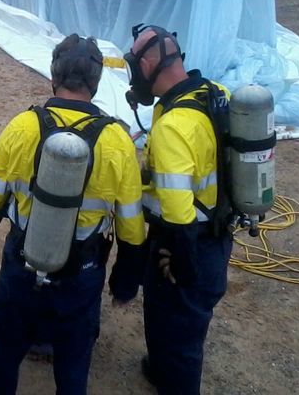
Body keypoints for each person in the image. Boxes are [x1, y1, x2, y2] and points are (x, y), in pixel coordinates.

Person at [0, 34, 146, 395]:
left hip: (22, 264)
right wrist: (125, 281)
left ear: (54, 77)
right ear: (96, 85)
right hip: (81, 275)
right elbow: (131, 228)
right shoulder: (117, 140)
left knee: (4, 354)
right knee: (73, 366)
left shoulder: (22, 126)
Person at [123, 24, 233, 395]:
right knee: (169, 321)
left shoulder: (173, 127)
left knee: (179, 330)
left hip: (186, 244)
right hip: (218, 233)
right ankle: (160, 369)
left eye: (134, 64)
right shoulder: (213, 93)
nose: (133, 74)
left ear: (150, 63)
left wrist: (183, 267)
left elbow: (177, 211)